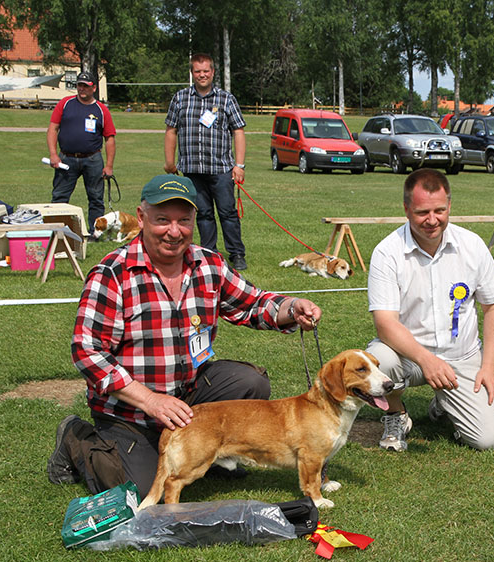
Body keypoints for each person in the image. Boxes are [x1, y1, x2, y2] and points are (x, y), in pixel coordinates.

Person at [47, 174, 322, 497]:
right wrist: (150, 400)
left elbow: (252, 304)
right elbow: (87, 352)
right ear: (141, 217)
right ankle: (75, 438)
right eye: (162, 220)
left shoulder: (209, 265)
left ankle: (217, 451)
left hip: (191, 397)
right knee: (143, 490)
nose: (174, 232)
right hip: (131, 410)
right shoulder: (111, 274)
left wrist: (291, 308)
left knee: (251, 382)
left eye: (184, 220)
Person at [366, 168, 494, 452]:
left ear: (449, 206)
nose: (432, 220)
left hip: (463, 356)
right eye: (422, 212)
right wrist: (426, 360)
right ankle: (396, 415)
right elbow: (385, 324)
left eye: (439, 210)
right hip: (409, 357)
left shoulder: (472, 245)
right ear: (406, 209)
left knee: (490, 440)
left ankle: (445, 404)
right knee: (379, 359)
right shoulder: (387, 252)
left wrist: (489, 368)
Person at [164, 53, 248, 271]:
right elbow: (171, 130)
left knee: (228, 213)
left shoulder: (226, 99)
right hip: (192, 169)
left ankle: (237, 253)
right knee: (203, 214)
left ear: (212, 72)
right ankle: (209, 253)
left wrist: (239, 165)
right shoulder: (180, 98)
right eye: (197, 71)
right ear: (192, 73)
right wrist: (169, 162)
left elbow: (238, 131)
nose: (202, 75)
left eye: (206, 71)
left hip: (221, 169)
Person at [47, 71, 116, 233]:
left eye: (86, 86)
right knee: (59, 197)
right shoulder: (65, 103)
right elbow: (52, 129)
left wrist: (109, 165)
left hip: (92, 159)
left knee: (96, 199)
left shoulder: (101, 110)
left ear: (94, 88)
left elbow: (110, 138)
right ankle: (57, 230)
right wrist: (53, 154)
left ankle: (95, 233)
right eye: (79, 85)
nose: (82, 89)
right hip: (66, 159)